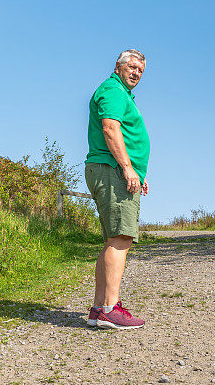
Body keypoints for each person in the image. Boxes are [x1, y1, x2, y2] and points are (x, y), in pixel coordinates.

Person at [84, 49, 150, 330]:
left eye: (140, 70)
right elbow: (110, 128)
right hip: (111, 170)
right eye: (132, 67)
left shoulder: (122, 94)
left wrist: (135, 168)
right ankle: (110, 309)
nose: (136, 73)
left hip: (113, 169)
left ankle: (99, 309)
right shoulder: (112, 90)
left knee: (114, 239)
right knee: (121, 238)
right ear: (118, 66)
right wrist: (127, 168)